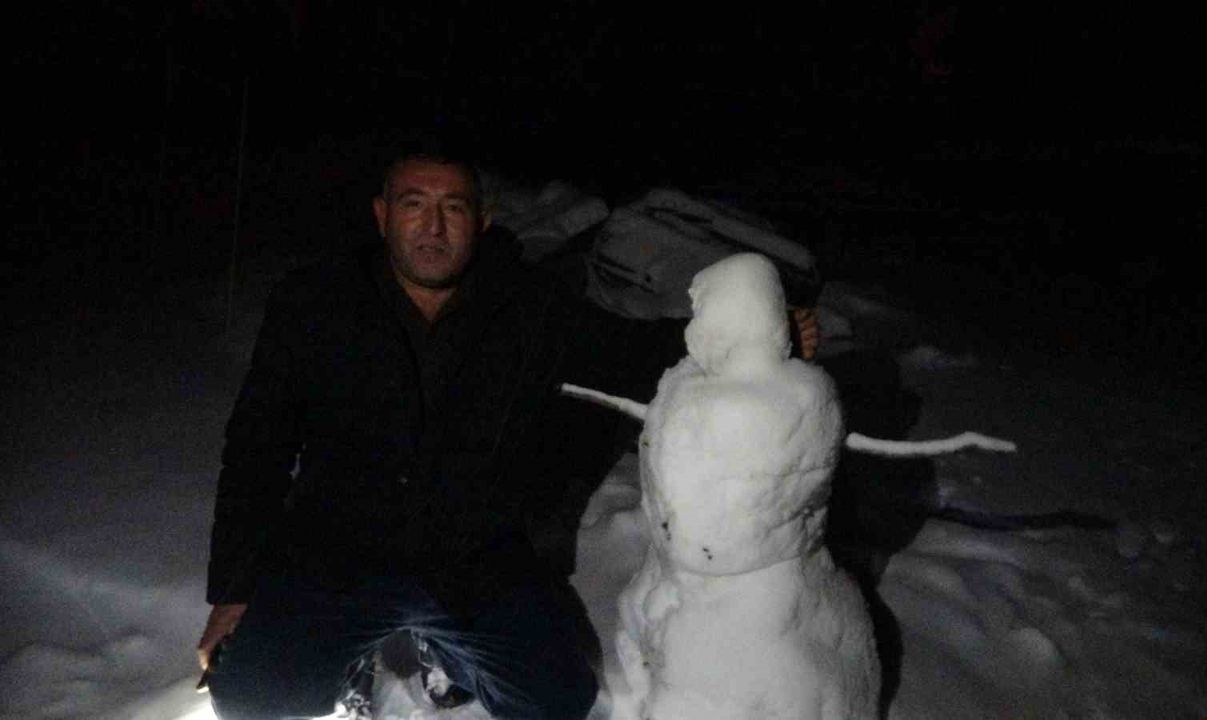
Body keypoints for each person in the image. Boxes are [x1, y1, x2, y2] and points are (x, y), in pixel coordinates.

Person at [197, 146, 819, 720]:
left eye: (453, 208)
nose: (434, 227)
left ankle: (448, 653)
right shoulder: (315, 304)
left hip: (474, 562)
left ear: (482, 220)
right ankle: (351, 658)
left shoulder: (527, 306)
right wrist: (233, 590)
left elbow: (631, 353)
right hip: (336, 558)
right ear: (382, 215)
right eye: (414, 205)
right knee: (249, 696)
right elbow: (257, 448)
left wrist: (752, 335)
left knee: (557, 701)